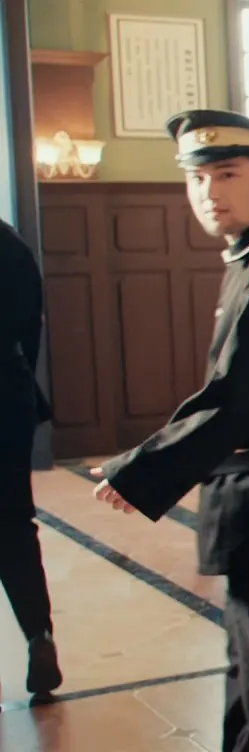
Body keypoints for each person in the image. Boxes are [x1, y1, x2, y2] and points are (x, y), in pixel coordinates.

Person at [86, 109, 249, 750]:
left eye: (227, 174)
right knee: (245, 674)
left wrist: (145, 468)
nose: (209, 192)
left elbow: (240, 396)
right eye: (197, 179)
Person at [1, 218, 61, 698]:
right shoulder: (9, 243)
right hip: (7, 395)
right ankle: (39, 635)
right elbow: (29, 331)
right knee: (14, 523)